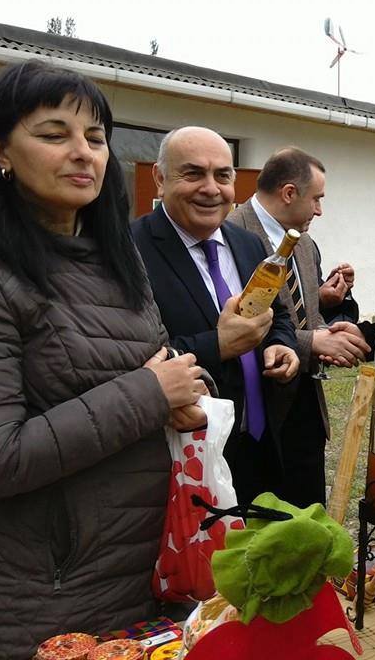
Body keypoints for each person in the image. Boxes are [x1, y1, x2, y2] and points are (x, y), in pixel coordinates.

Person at [0, 62, 206, 659]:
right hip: (42, 594)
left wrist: (186, 393)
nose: (83, 152)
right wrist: (150, 394)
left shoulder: (115, 259)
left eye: (96, 137)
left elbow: (153, 361)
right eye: (54, 134)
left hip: (140, 572)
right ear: (0, 149)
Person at [132, 127, 305, 507]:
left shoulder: (248, 244)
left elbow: (276, 313)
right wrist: (218, 345)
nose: (211, 188)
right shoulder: (131, 251)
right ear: (160, 179)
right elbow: (133, 359)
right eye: (193, 173)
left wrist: (282, 344)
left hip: (258, 442)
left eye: (223, 175)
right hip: (185, 454)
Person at [227, 147, 369, 505]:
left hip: (305, 408)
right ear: (289, 193)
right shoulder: (230, 236)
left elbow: (302, 309)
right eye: (316, 199)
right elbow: (236, 325)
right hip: (255, 416)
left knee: (307, 515)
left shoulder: (305, 243)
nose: (320, 210)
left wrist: (330, 325)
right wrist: (311, 343)